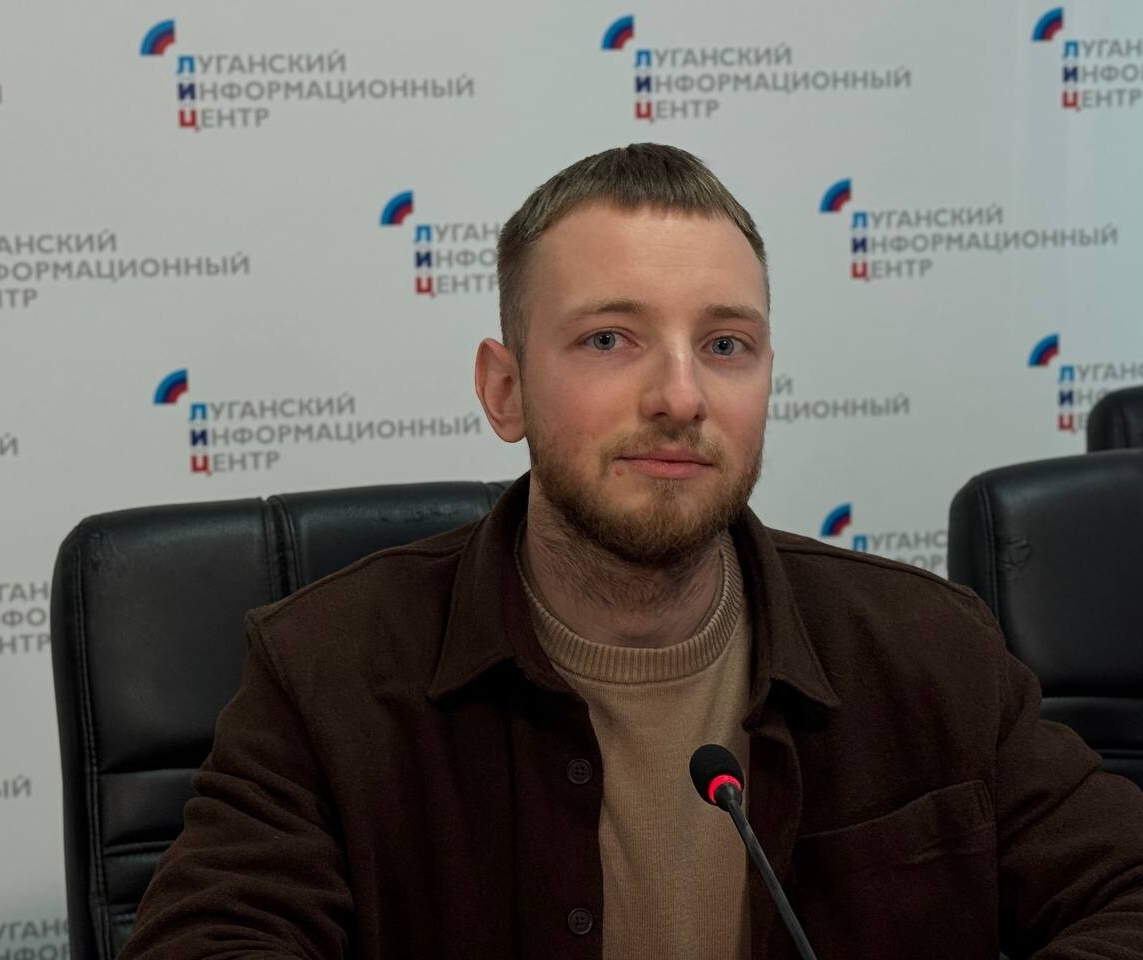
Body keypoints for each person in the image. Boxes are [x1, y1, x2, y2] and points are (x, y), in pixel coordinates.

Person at [119, 144, 1143, 959]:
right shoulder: (324, 671)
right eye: (609, 339)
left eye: (725, 345)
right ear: (505, 390)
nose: (680, 397)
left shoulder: (931, 650)